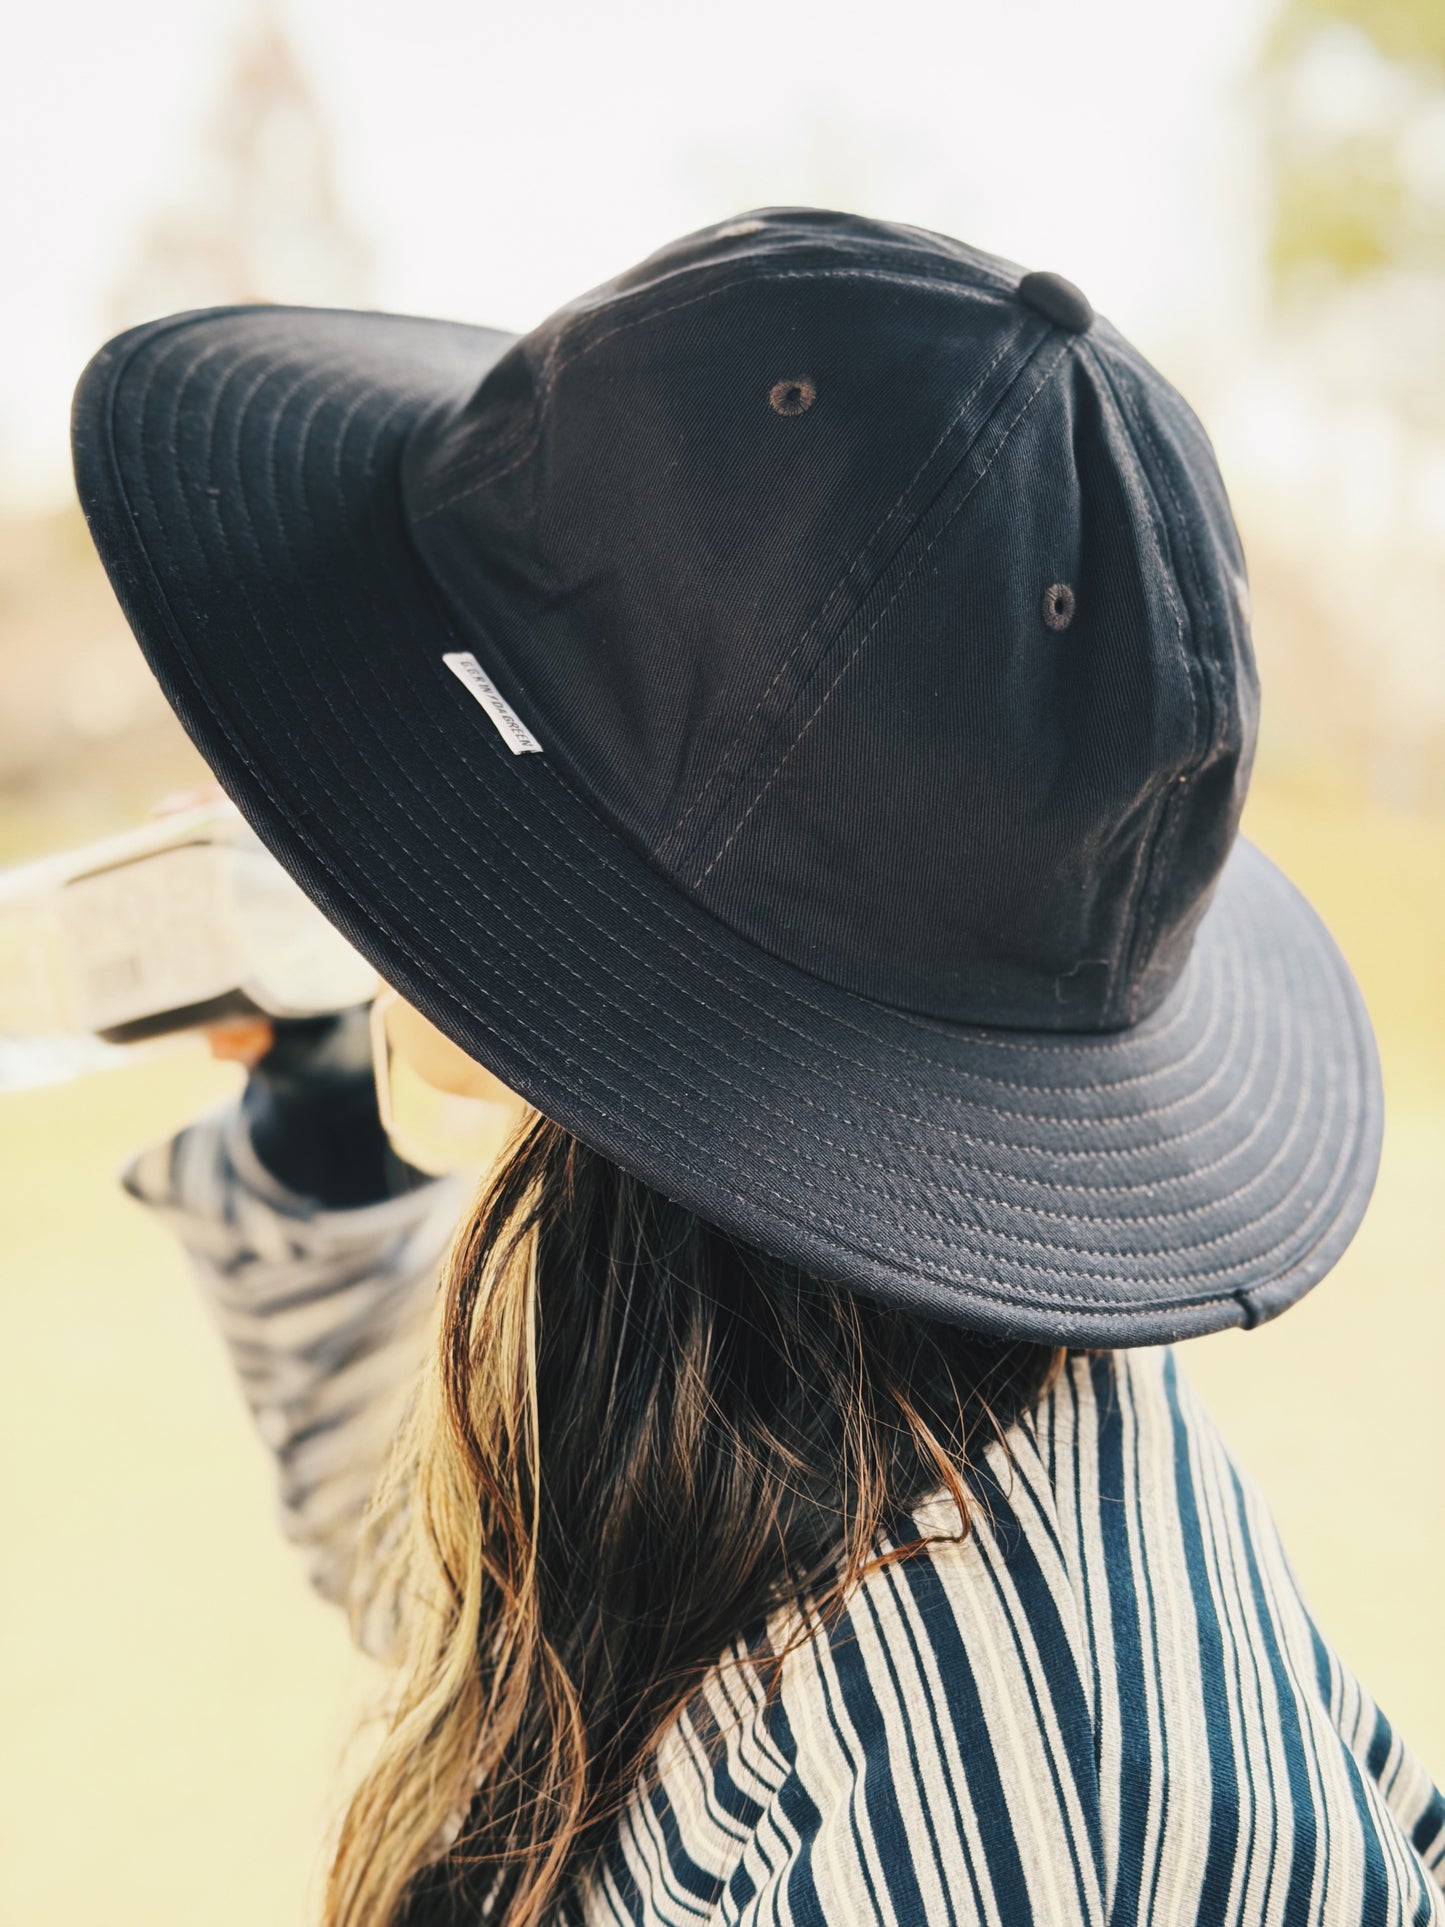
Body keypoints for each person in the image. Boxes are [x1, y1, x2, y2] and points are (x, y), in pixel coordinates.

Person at [73, 210, 1443, 1926]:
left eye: (424, 746)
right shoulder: (841, 1370)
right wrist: (327, 1106)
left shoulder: (1022, 1821)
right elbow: (494, 1592)